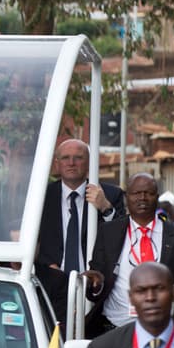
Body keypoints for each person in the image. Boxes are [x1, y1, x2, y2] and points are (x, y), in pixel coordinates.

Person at [82, 173, 174, 338]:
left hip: (166, 334)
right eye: (136, 193)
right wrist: (93, 284)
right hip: (114, 330)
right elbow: (97, 283)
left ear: (156, 197)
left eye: (148, 193)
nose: (142, 198)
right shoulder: (108, 232)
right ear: (127, 197)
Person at [35, 138, 126, 324]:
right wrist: (47, 265)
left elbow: (123, 237)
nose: (71, 163)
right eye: (66, 158)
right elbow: (32, 238)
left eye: (78, 158)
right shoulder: (41, 196)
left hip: (94, 287)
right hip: (51, 284)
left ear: (89, 162)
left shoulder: (110, 195)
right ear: (57, 163)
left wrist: (106, 208)